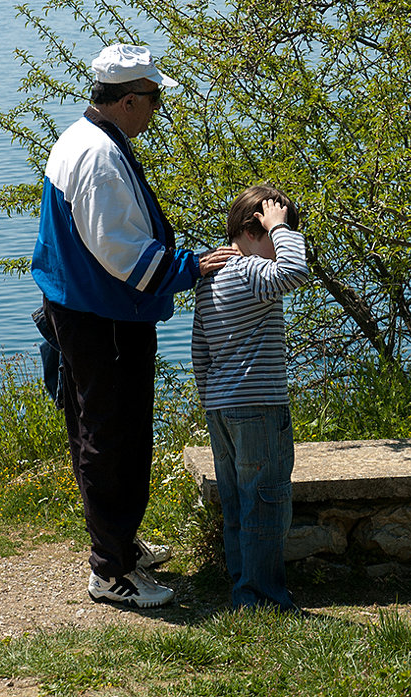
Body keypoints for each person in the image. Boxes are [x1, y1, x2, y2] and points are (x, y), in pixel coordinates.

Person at [32, 43, 237, 609]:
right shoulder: (99, 157)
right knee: (114, 439)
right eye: (152, 99)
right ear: (126, 101)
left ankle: (118, 544)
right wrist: (191, 266)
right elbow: (123, 254)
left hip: (79, 310)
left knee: (97, 431)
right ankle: (111, 571)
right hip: (106, 320)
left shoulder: (80, 137)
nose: (157, 109)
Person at [191, 185, 310, 611]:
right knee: (267, 500)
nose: (280, 246)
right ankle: (261, 597)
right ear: (253, 229)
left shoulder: (208, 279)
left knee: (240, 501)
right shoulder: (251, 272)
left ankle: (243, 585)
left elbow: (200, 351)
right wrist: (280, 227)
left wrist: (212, 401)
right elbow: (296, 272)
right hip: (260, 407)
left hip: (221, 408)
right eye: (276, 234)